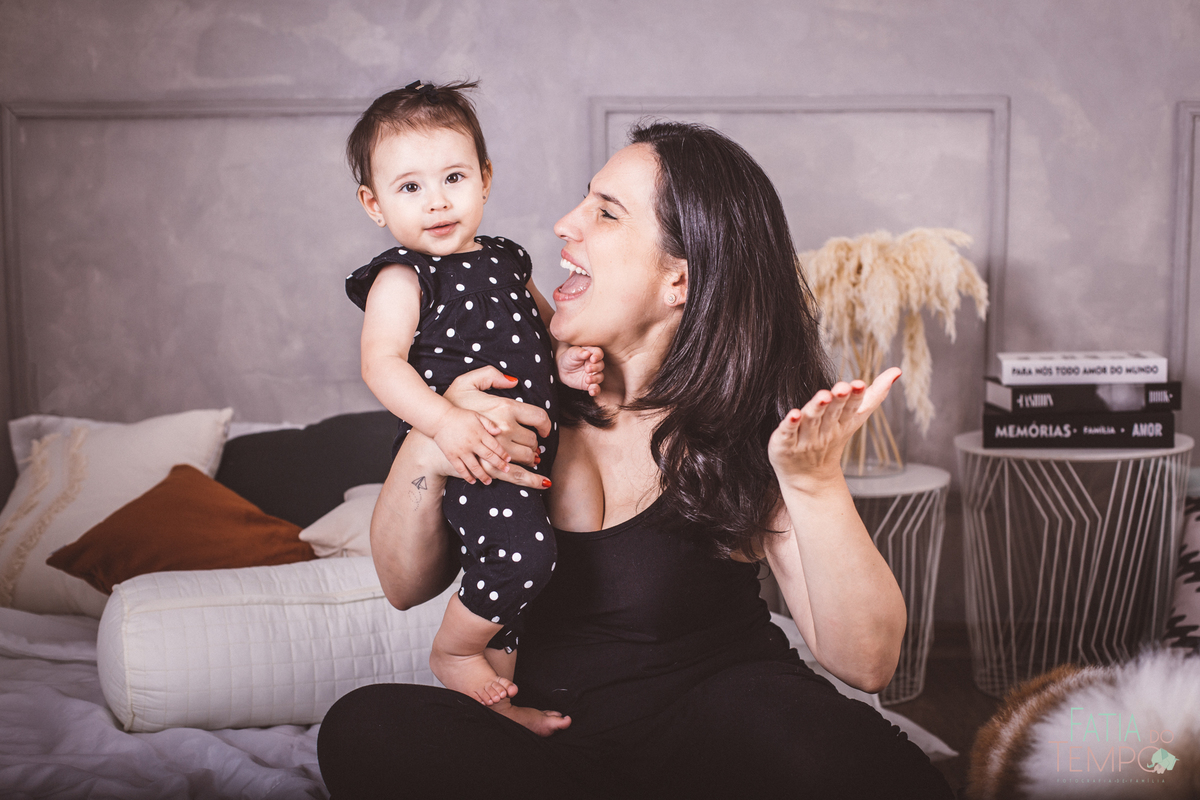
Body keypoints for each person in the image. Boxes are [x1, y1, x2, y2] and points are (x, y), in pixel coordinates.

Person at [320, 120, 954, 799]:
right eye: (583, 200)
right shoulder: (503, 389)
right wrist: (430, 440)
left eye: (605, 212)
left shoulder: (739, 425)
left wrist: (815, 482)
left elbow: (866, 664)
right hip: (557, 749)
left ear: (677, 279)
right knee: (363, 727)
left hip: (720, 732)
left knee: (829, 752)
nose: (565, 224)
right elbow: (404, 585)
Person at [344, 80, 604, 714]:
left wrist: (568, 362)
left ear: (485, 178)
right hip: (472, 452)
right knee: (525, 558)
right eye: (410, 188)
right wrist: (445, 424)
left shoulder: (508, 259)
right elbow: (380, 365)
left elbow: (547, 331)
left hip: (533, 449)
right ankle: (453, 651)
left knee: (528, 590)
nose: (436, 202)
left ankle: (501, 708)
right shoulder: (402, 277)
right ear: (374, 204)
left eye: (453, 178)